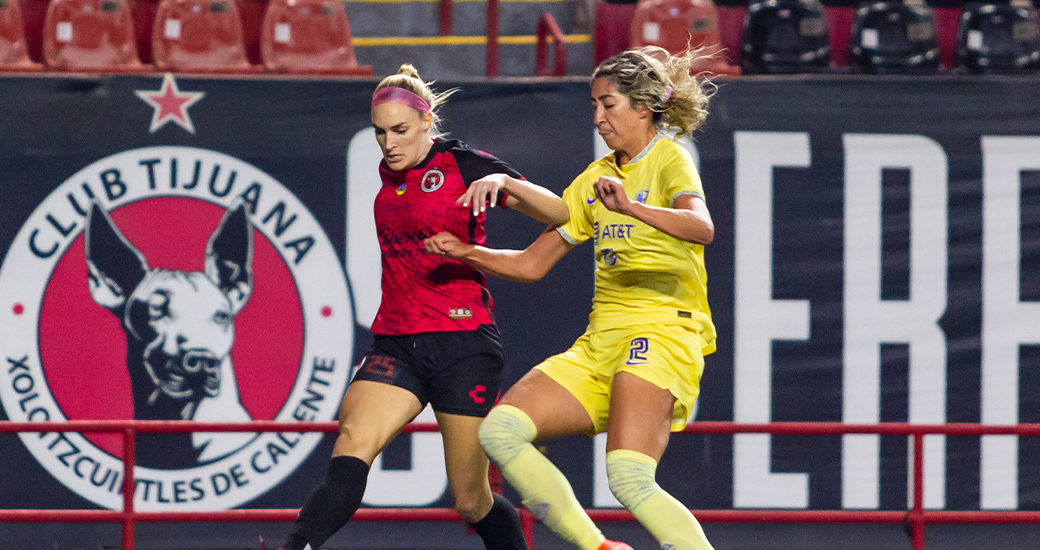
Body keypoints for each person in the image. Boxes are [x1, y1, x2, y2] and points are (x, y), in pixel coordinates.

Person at [423, 47, 717, 550]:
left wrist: (631, 207)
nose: (599, 117)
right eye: (594, 106)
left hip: (664, 331)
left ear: (643, 108)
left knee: (627, 476)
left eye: (609, 104)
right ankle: (599, 548)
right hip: (601, 340)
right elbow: (532, 264)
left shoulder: (668, 158)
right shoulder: (593, 179)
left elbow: (702, 229)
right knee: (501, 433)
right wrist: (467, 251)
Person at [271, 64, 570, 550]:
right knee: (352, 444)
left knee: (471, 501)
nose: (389, 143)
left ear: (428, 122)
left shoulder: (464, 165)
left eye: (401, 131)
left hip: (463, 345)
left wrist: (506, 184)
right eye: (380, 133)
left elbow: (562, 214)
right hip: (397, 341)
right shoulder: (390, 173)